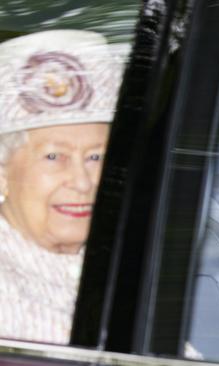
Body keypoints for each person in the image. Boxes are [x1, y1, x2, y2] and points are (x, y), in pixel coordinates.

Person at [0, 30, 123, 343]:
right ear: (2, 171)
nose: (83, 182)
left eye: (96, 156)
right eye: (54, 156)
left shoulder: (120, 256)